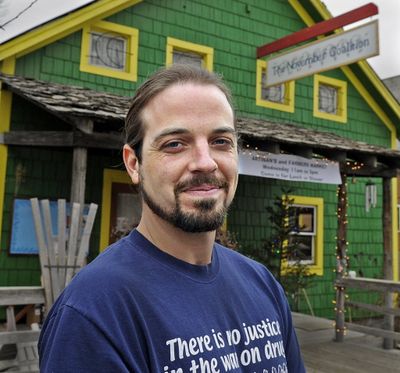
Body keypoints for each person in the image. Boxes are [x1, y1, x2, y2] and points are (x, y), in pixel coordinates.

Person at [38, 64, 306, 372]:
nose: (205, 163)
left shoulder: (262, 285)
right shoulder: (93, 313)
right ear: (134, 164)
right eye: (175, 144)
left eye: (221, 141)